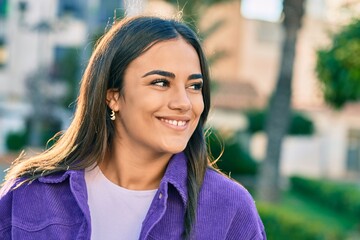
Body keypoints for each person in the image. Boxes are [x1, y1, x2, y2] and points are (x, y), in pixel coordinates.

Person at [0, 16, 266, 240]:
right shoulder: (28, 194)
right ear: (112, 95)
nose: (184, 103)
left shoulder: (230, 209)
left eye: (194, 86)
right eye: (161, 82)